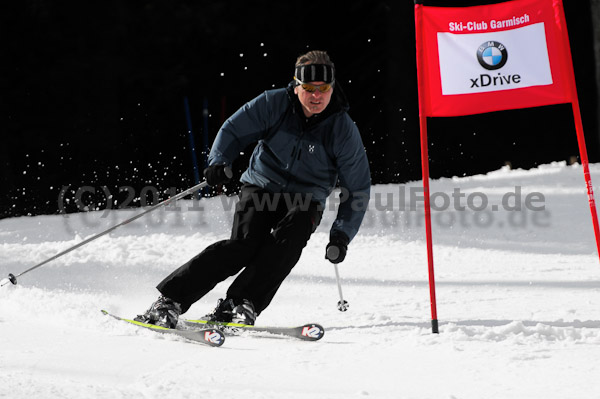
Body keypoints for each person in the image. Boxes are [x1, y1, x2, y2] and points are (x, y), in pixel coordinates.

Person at [135, 50, 371, 328]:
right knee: (244, 245)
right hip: (262, 186)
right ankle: (170, 300)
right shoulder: (273, 104)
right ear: (296, 86)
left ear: (332, 88)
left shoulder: (342, 129)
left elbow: (356, 188)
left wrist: (341, 235)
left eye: (323, 89)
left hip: (306, 198)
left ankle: (239, 304)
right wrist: (219, 161)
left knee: (289, 240)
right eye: (308, 89)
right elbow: (234, 130)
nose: (316, 96)